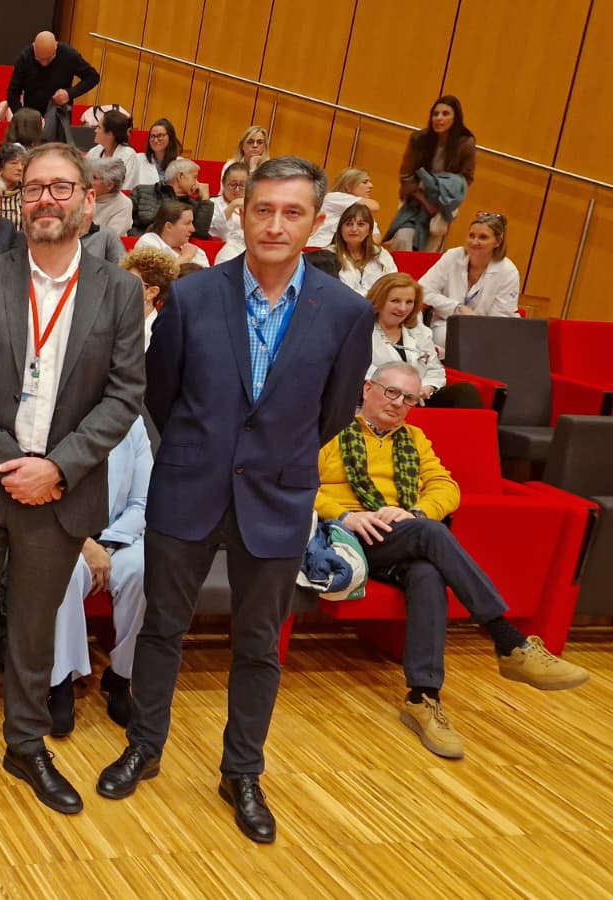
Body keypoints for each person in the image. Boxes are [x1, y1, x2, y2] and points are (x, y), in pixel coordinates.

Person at [97, 157, 375, 845]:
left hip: (277, 498)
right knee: (161, 628)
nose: (276, 223)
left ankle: (242, 771)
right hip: (188, 488)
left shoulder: (345, 312)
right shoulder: (191, 298)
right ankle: (145, 746)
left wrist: (273, 455)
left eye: (292, 212)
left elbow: (334, 411)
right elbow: (160, 395)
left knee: (258, 646)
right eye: (264, 209)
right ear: (242, 213)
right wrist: (202, 450)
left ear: (316, 223)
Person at [0, 143, 144, 816]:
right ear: (21, 202)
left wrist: (57, 467)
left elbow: (124, 395)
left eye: (61, 188)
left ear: (86, 201)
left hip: (61, 491)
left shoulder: (120, 290)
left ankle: (25, 744)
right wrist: (10, 464)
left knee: (36, 629)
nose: (47, 199)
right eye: (35, 188)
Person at [318, 361, 589, 760]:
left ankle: (422, 697)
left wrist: (417, 512)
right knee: (432, 534)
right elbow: (296, 484)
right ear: (366, 389)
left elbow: (446, 486)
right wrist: (346, 515)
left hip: (400, 536)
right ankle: (507, 639)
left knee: (427, 570)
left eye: (409, 398)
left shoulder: (415, 439)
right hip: (346, 538)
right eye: (391, 392)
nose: (398, 404)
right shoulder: (330, 432)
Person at [48, 415, 153, 735]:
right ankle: (61, 683)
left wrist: (108, 544)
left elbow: (142, 501)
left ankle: (120, 678)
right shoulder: (62, 411)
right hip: (66, 534)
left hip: (121, 535)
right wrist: (86, 544)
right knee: (63, 573)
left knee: (141, 571)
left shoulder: (132, 423)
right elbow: (50, 497)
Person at [364, 273, 478, 409]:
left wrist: (426, 388)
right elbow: (362, 372)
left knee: (465, 391)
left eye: (409, 302)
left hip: (419, 399)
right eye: (395, 301)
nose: (402, 308)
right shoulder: (362, 331)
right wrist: (404, 389)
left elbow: (435, 370)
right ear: (379, 301)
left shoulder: (419, 331)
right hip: (383, 399)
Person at [417, 212, 519, 351]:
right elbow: (422, 290)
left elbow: (499, 320)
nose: (474, 241)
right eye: (472, 235)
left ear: (497, 242)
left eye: (483, 237)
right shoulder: (453, 256)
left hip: (487, 332)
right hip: (446, 324)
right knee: (446, 337)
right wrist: (457, 308)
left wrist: (474, 324)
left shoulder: (508, 271)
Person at [388, 96, 477, 253]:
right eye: (435, 114)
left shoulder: (465, 144)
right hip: (414, 200)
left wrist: (442, 200)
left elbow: (466, 178)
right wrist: (425, 201)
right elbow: (406, 175)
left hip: (442, 205)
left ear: (455, 118)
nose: (439, 118)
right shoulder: (419, 139)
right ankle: (398, 277)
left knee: (430, 250)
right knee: (403, 237)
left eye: (445, 114)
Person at [6, 31, 100, 144]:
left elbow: (93, 77)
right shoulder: (25, 57)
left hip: (59, 116)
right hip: (31, 118)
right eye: (39, 59)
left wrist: (70, 93)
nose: (44, 63)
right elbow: (13, 92)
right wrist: (22, 117)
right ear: (34, 46)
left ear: (56, 47)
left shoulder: (68, 54)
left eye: (49, 59)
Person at [132, 157, 212, 237]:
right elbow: (124, 222)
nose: (197, 183)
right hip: (139, 244)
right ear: (180, 176)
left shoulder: (192, 204)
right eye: (194, 177)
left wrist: (205, 200)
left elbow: (200, 234)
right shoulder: (142, 191)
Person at [120, 245, 179, 349]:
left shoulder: (158, 335)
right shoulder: (111, 320)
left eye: (129, 282)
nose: (120, 287)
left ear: (151, 292)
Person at [332, 202, 397, 296]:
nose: (354, 229)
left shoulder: (381, 254)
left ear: (369, 230)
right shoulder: (328, 255)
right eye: (348, 224)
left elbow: (394, 284)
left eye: (361, 224)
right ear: (341, 230)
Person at [309, 167, 380, 248]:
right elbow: (375, 206)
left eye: (370, 182)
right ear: (348, 186)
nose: (371, 185)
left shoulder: (363, 209)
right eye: (365, 182)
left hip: (347, 253)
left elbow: (376, 238)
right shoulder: (333, 197)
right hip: (320, 249)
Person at [136, 201, 209, 268]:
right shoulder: (148, 243)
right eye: (187, 223)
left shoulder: (197, 251)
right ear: (169, 226)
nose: (193, 229)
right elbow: (155, 278)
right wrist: (186, 257)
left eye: (192, 223)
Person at [85, 108, 138, 187]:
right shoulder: (94, 151)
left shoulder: (128, 155)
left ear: (110, 134)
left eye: (99, 127)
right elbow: (84, 178)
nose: (95, 130)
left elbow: (125, 188)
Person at [89, 156, 132, 238]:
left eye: (94, 178)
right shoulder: (83, 195)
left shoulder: (124, 204)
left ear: (109, 185)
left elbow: (109, 238)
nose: (88, 180)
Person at [137, 118, 182, 188]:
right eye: (152, 136)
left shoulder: (181, 163)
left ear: (170, 137)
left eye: (160, 136)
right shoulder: (138, 159)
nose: (155, 140)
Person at [0, 142, 28, 228]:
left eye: (23, 164)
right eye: (14, 163)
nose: (20, 168)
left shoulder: (27, 193)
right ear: (0, 168)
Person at [209, 163, 247, 241]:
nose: (237, 189)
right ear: (223, 183)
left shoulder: (252, 205)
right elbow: (215, 232)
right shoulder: (212, 203)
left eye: (242, 185)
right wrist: (232, 205)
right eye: (233, 184)